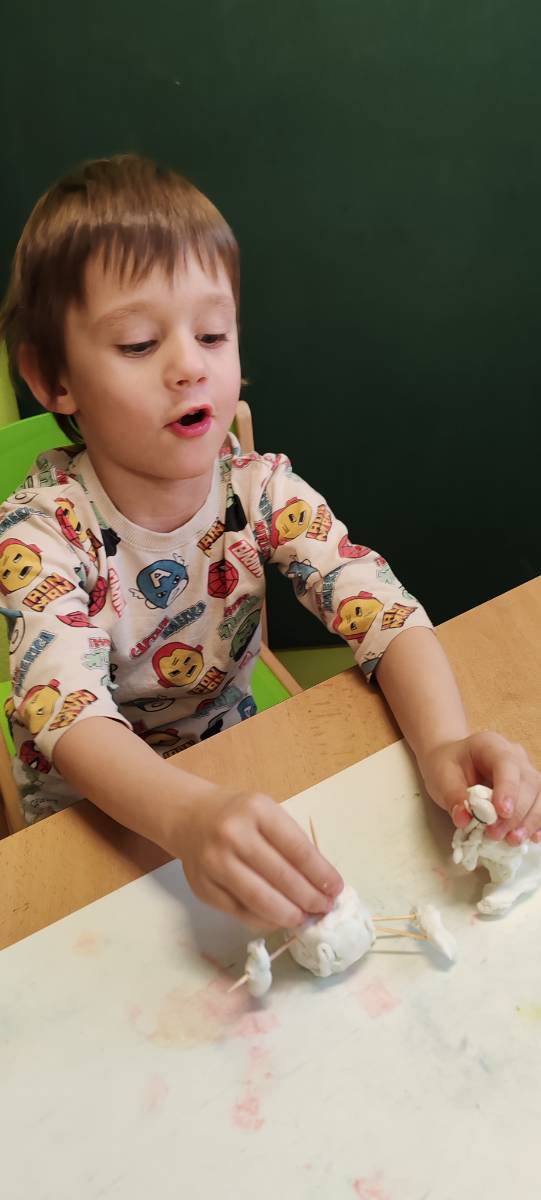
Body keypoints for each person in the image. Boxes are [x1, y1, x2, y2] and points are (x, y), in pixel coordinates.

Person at [1, 155, 539, 931]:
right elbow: (70, 712)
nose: (190, 365)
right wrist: (185, 816)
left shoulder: (259, 490)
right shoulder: (42, 532)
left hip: (235, 763)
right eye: (139, 344)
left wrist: (445, 744)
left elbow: (384, 614)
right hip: (91, 818)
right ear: (55, 379)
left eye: (212, 333)